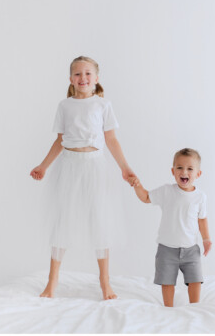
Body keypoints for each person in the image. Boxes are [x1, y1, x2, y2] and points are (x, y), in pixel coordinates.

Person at [30, 56, 137, 300]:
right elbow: (60, 140)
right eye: (77, 74)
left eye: (88, 74)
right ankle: (52, 281)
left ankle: (105, 282)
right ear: (70, 79)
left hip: (95, 167)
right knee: (62, 221)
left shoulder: (102, 105)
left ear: (96, 78)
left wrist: (125, 168)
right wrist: (43, 166)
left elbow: (111, 140)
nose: (83, 78)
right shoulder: (64, 106)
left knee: (100, 220)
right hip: (69, 167)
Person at [130, 149, 212, 307]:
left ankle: (195, 306)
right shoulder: (167, 191)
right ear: (173, 171)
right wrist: (137, 186)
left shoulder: (200, 197)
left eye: (190, 169)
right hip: (167, 249)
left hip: (190, 249)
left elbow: (202, 220)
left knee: (195, 279)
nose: (184, 172)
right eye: (179, 168)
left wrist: (206, 239)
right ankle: (169, 307)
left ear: (198, 174)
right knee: (167, 281)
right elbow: (146, 197)